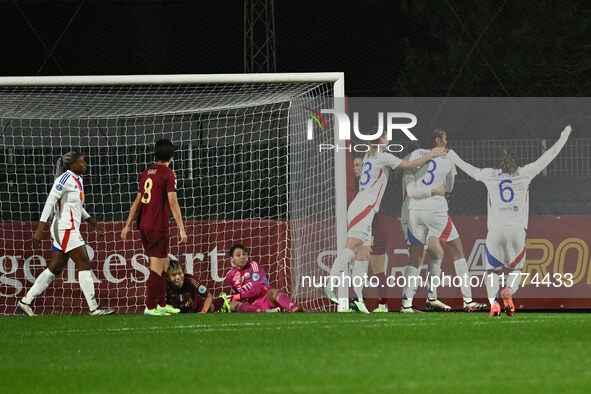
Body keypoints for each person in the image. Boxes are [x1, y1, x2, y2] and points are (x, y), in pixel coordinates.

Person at [448, 125, 572, 317]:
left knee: (491, 271)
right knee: (517, 269)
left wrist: (452, 154)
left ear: (500, 161)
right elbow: (549, 155)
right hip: (516, 230)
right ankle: (508, 291)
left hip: (495, 230)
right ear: (517, 160)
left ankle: (493, 303)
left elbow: (467, 167)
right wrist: (565, 135)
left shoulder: (489, 175)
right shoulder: (526, 173)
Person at [323, 131, 446, 313]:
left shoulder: (369, 156)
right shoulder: (382, 156)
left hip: (364, 207)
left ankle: (358, 299)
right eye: (386, 137)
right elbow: (410, 164)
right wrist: (430, 155)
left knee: (363, 255)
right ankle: (330, 284)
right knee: (352, 247)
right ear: (381, 140)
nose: (388, 140)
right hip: (365, 206)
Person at [17, 151, 115, 316]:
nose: (85, 165)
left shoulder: (78, 180)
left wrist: (94, 224)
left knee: (55, 268)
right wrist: (40, 229)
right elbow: (49, 203)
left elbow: (77, 207)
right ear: (72, 164)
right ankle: (94, 308)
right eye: (82, 162)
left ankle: (25, 301)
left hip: (69, 228)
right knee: (84, 261)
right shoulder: (63, 180)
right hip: (64, 228)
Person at [401, 129, 486, 313]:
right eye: (445, 139)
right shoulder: (448, 156)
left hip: (414, 211)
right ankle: (468, 300)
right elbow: (451, 185)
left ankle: (406, 304)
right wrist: (441, 191)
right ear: (438, 140)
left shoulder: (415, 154)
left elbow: (411, 186)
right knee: (458, 252)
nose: (448, 143)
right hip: (436, 210)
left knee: (416, 256)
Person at [121, 139, 188, 316]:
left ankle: (162, 303)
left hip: (144, 223)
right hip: (157, 225)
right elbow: (173, 202)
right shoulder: (168, 174)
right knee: (156, 267)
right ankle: (150, 307)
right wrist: (181, 228)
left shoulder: (146, 173)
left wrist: (127, 225)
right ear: (171, 156)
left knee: (164, 264)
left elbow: (137, 201)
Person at [223, 244, 300, 312]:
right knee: (230, 305)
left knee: (273, 292)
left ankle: (294, 309)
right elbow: (237, 294)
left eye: (244, 254)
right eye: (238, 255)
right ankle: (264, 311)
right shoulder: (230, 275)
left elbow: (257, 290)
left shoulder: (253, 265)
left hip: (266, 299)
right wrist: (229, 299)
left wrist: (236, 297)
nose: (242, 257)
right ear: (232, 259)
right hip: (251, 305)